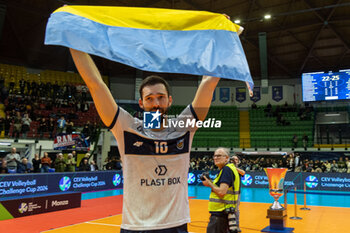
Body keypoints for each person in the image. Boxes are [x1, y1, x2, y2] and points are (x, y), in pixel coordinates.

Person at [70, 45, 218, 232]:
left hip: (175, 225)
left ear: (169, 100)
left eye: (161, 97)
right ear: (141, 103)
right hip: (136, 226)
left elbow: (209, 83)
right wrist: (73, 42)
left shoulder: (184, 127)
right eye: (149, 98)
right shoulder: (126, 127)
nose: (156, 104)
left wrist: (220, 41)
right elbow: (95, 83)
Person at [202, 148, 240, 233]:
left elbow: (222, 192)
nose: (215, 158)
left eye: (219, 156)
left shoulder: (226, 170)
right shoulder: (228, 169)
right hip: (225, 212)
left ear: (227, 158)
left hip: (220, 213)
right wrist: (210, 183)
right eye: (214, 156)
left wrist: (209, 183)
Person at [230, 155, 245, 233]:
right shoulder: (227, 169)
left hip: (237, 193)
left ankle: (237, 226)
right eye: (234, 159)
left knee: (236, 210)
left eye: (236, 159)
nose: (235, 161)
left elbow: (243, 173)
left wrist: (234, 168)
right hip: (228, 193)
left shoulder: (238, 169)